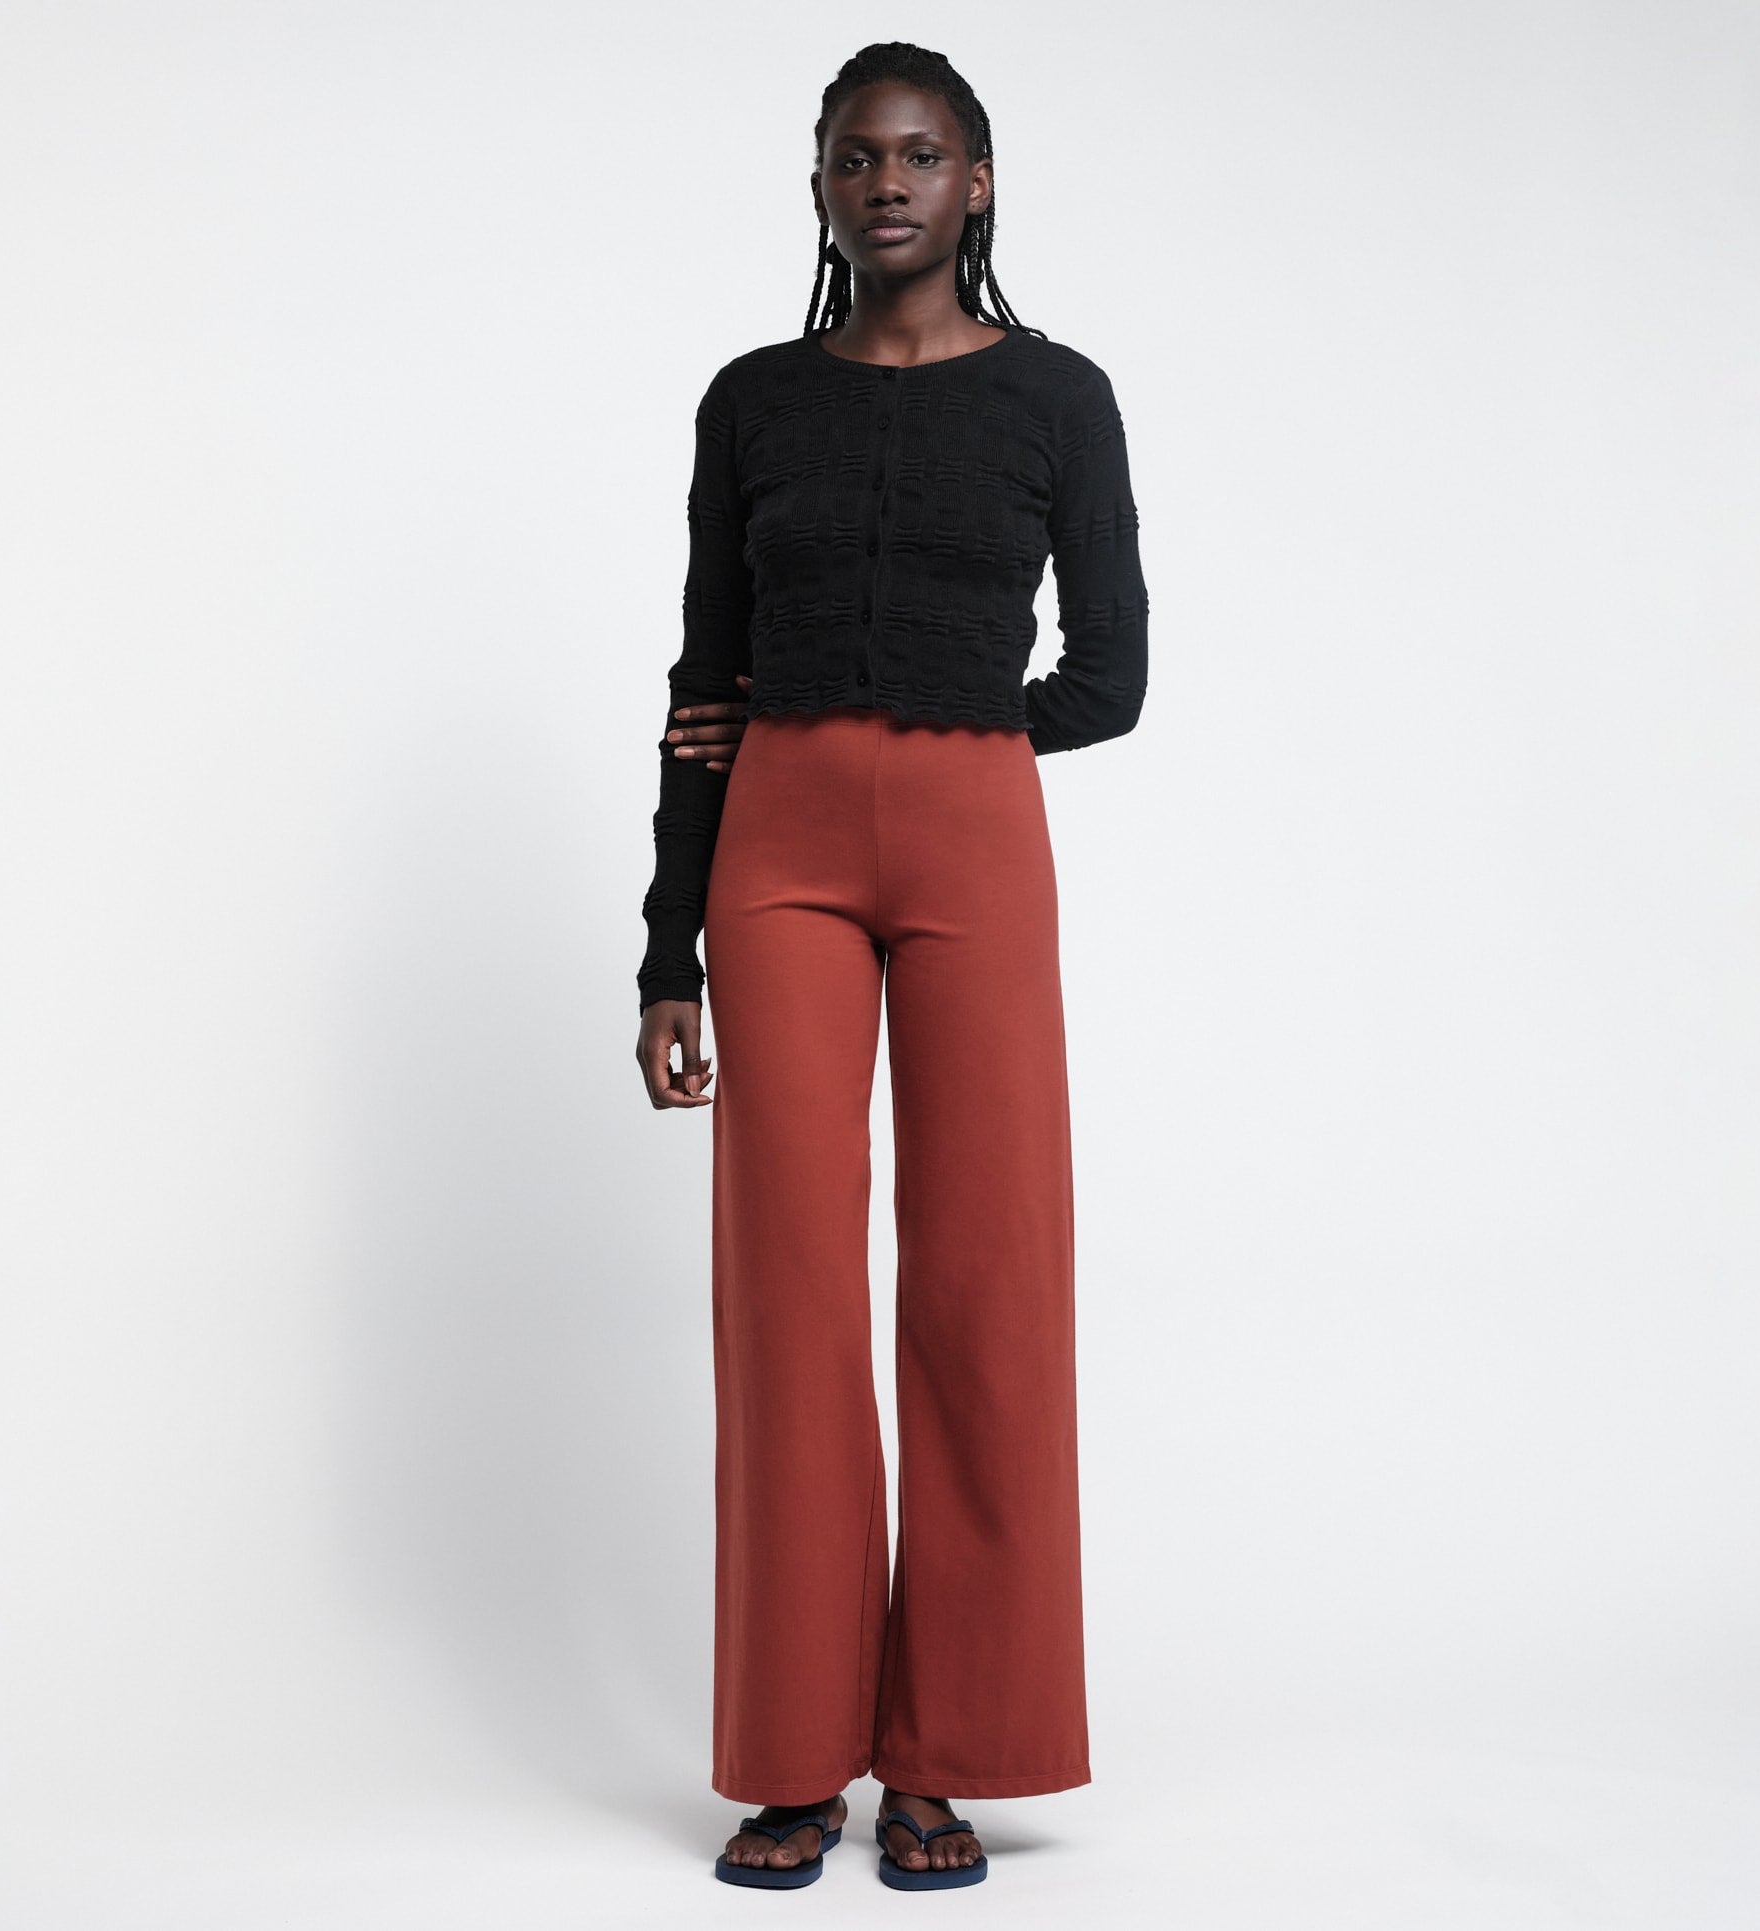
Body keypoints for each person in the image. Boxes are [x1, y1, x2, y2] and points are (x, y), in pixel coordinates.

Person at [634, 41, 1148, 1892]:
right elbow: (705, 679)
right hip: (773, 849)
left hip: (972, 832)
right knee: (784, 1290)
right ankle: (794, 1757)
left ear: (979, 181)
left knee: (989, 1275)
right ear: (822, 190)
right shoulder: (753, 401)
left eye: (923, 155)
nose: (890, 184)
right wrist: (666, 949)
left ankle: (947, 1754)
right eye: (857, 159)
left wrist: (956, 717)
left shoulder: (1060, 397)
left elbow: (1112, 676)